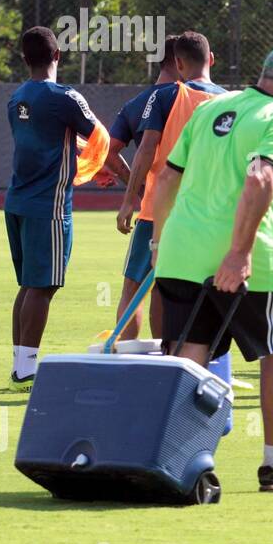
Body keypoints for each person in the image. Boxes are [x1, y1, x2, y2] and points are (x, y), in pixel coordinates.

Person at [150, 42, 273, 491]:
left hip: (180, 251)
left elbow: (169, 175)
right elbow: (259, 177)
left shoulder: (213, 106)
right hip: (250, 260)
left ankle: (173, 461)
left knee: (190, 355)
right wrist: (239, 251)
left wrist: (159, 240)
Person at [6, 27, 114, 390]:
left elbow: (57, 139)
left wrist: (87, 161)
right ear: (57, 56)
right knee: (43, 286)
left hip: (18, 201)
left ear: (25, 58)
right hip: (48, 206)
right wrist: (135, 183)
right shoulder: (65, 97)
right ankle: (26, 368)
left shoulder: (17, 97)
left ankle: (21, 363)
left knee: (29, 285)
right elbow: (101, 139)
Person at [116, 31, 225, 338]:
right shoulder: (231, 101)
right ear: (212, 59)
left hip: (158, 212)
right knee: (189, 291)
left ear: (177, 63)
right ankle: (180, 357)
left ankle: (127, 363)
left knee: (134, 288)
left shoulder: (164, 96)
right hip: (208, 215)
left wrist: (128, 201)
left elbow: (145, 150)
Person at [106, 36, 177, 340]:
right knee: (170, 288)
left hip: (151, 212)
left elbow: (108, 153)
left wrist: (137, 189)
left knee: (133, 289)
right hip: (195, 209)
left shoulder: (137, 104)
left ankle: (125, 361)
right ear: (181, 61)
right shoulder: (203, 99)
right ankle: (172, 359)